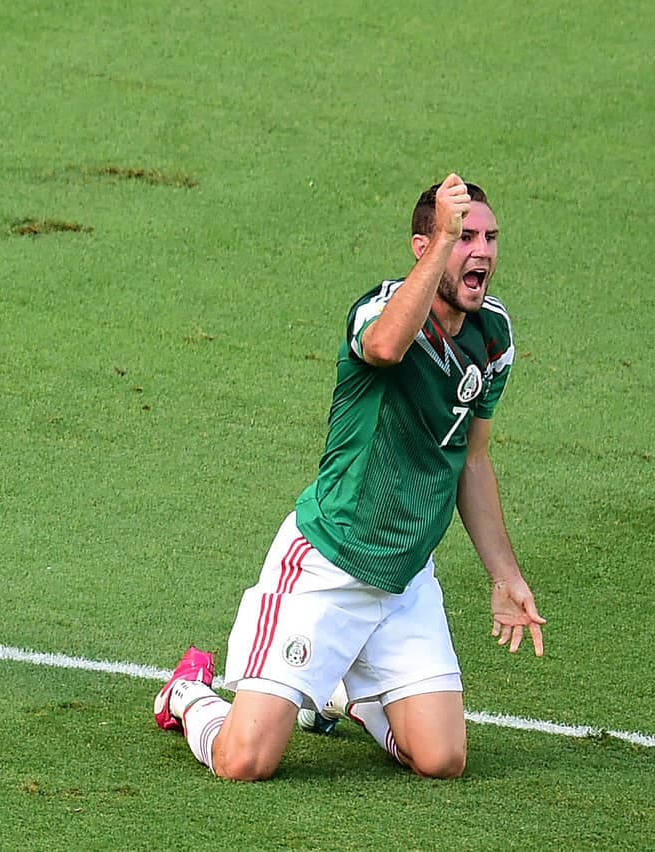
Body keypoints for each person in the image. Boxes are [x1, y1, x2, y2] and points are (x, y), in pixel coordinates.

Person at [153, 174, 545, 780]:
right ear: (426, 247)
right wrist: (443, 236)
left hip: (405, 579)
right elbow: (386, 347)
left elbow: (472, 459)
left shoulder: (493, 335)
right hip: (327, 566)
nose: (483, 252)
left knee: (442, 759)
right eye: (464, 237)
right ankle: (187, 693)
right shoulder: (378, 308)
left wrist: (505, 573)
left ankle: (349, 694)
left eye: (490, 238)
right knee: (244, 762)